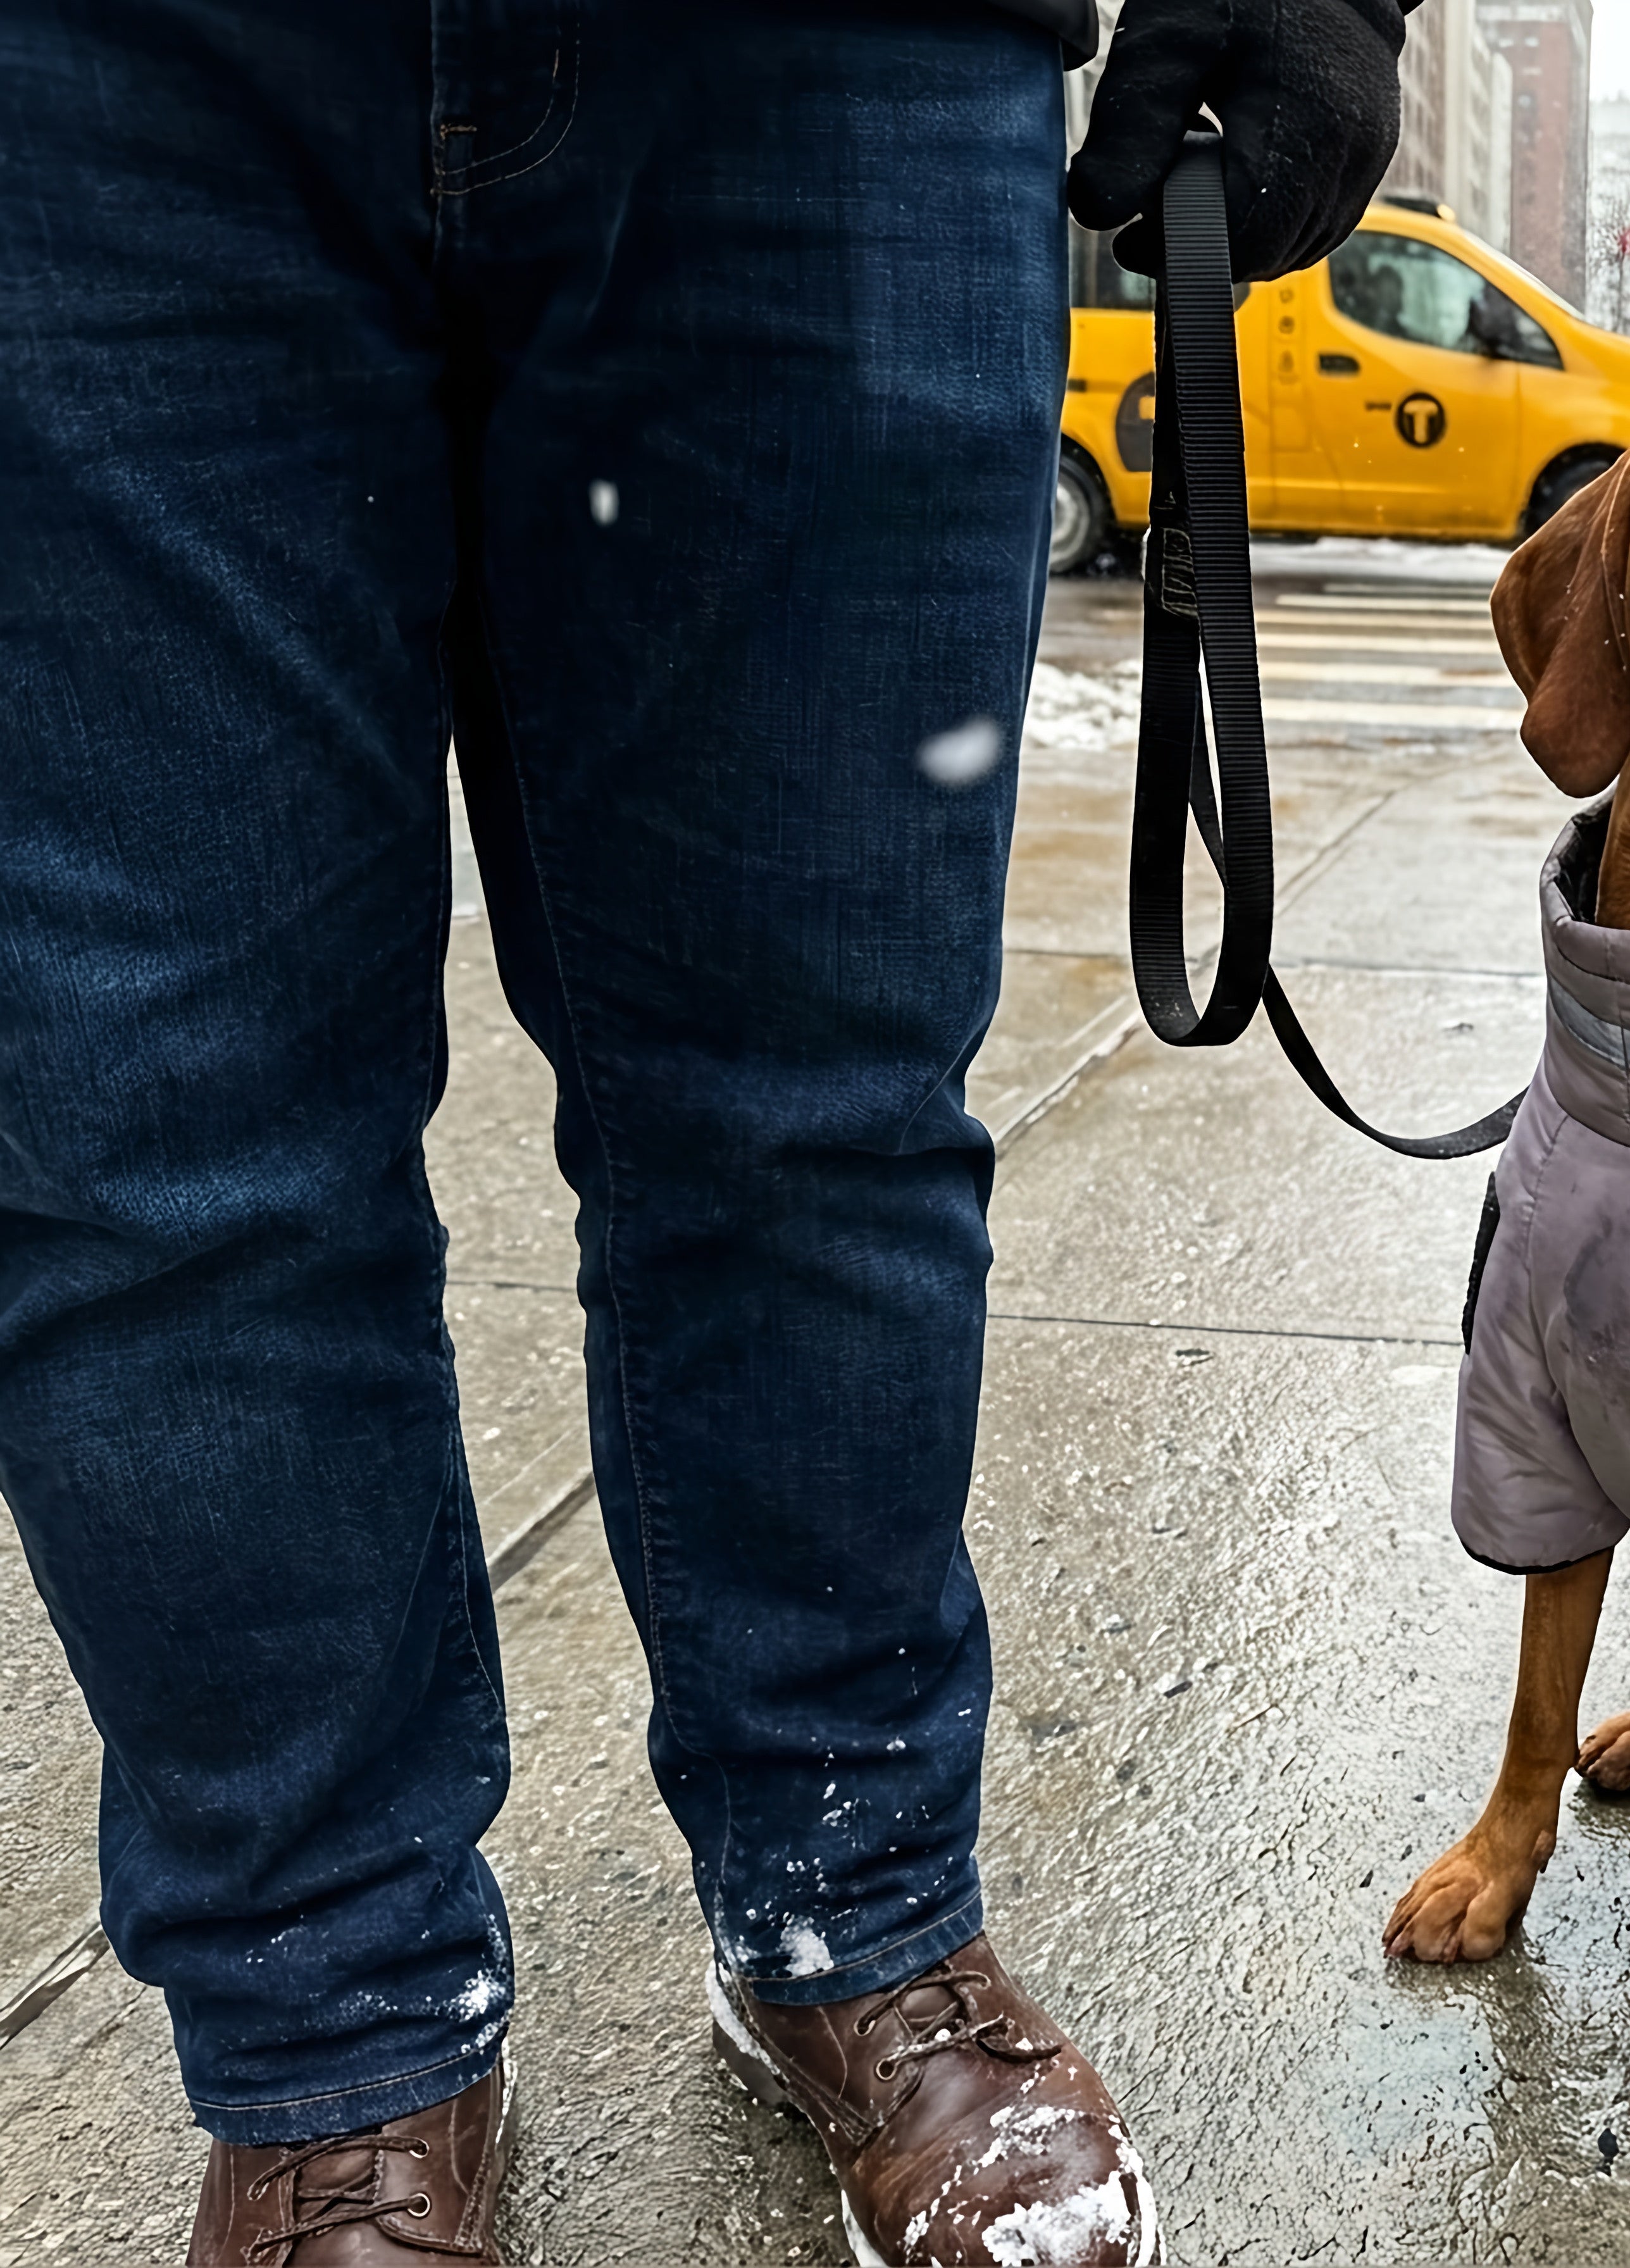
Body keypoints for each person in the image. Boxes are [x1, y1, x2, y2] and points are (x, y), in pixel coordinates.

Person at [0, 0, 1407, 2260]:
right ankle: (344, 2039)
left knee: (814, 1101)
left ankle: (848, 1897)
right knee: (157, 1144)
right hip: (103, 80)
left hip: (827, 58)